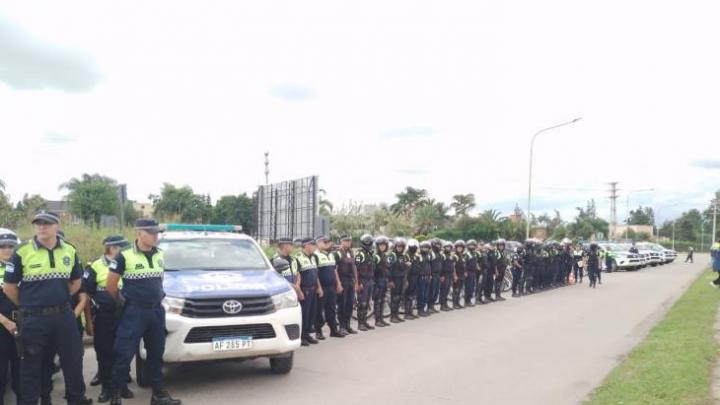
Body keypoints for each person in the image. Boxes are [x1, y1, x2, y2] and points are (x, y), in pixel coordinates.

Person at [4, 212, 92, 405]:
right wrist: (29, 304)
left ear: (56, 226)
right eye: (38, 223)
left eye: (47, 223)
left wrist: (58, 299)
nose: (42, 227)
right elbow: (9, 287)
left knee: (73, 362)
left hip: (63, 316)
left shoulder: (69, 250)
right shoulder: (22, 251)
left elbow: (76, 282)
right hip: (33, 318)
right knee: (31, 366)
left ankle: (76, 399)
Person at [106, 218, 181, 405]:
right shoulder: (124, 255)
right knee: (124, 353)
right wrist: (124, 303)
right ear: (139, 233)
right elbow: (111, 285)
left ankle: (158, 395)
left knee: (156, 353)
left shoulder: (160, 254)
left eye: (157, 233)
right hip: (134, 312)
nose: (156, 236)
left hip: (156, 311)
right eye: (151, 233)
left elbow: (159, 280)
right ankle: (115, 394)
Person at [84, 236, 134, 403]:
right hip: (104, 316)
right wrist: (89, 321)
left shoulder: (127, 262)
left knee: (123, 351)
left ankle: (121, 386)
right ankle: (106, 388)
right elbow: (86, 295)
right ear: (112, 248)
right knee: (104, 352)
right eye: (122, 247)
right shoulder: (95, 266)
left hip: (125, 314)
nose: (126, 250)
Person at [0, 230, 21, 405]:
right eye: (3, 247)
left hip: (24, 324)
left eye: (11, 246)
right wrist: (5, 322)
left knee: (23, 374)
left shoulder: (24, 268)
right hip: (1, 326)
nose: (7, 250)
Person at [292, 239, 323, 345]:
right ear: (306, 245)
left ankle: (307, 334)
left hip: (313, 289)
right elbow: (296, 275)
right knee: (304, 314)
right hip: (304, 290)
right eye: (313, 245)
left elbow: (316, 274)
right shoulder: (297, 258)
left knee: (312, 313)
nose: (315, 247)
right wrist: (299, 291)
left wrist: (319, 287)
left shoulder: (314, 257)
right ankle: (302, 336)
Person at [313, 236, 344, 339]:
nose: (327, 244)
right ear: (318, 243)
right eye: (325, 242)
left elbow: (335, 270)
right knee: (319, 310)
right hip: (322, 287)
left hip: (332, 286)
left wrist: (338, 283)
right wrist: (319, 287)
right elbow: (315, 273)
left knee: (331, 309)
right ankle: (318, 331)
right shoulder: (315, 256)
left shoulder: (331, 255)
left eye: (328, 242)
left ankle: (333, 330)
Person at [333, 235, 358, 335]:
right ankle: (342, 327)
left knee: (350, 304)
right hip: (342, 280)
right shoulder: (337, 253)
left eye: (349, 241)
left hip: (350, 281)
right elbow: (334, 269)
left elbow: (354, 267)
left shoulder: (351, 252)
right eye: (346, 241)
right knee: (342, 304)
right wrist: (338, 283)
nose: (348, 243)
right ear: (341, 241)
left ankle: (348, 326)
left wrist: (356, 281)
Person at [354, 234, 376, 331]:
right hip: (362, 280)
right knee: (362, 303)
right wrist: (358, 283)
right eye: (367, 242)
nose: (368, 243)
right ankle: (360, 324)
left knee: (367, 303)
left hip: (369, 280)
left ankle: (364, 321)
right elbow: (356, 270)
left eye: (370, 242)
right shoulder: (360, 254)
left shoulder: (369, 254)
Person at [387, 238, 409, 323]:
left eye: (401, 246)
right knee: (395, 298)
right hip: (394, 279)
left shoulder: (403, 256)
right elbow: (389, 268)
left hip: (401, 279)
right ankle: (392, 316)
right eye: (398, 246)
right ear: (395, 246)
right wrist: (390, 281)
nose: (399, 248)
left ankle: (396, 315)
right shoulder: (392, 255)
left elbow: (404, 268)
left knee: (399, 297)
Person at [372, 236, 391, 328]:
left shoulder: (385, 255)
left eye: (384, 245)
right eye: (380, 245)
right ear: (377, 246)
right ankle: (377, 320)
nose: (382, 247)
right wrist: (374, 281)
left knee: (383, 300)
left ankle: (381, 318)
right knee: (378, 300)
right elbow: (372, 269)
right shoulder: (376, 256)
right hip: (378, 280)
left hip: (384, 280)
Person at [404, 239, 421, 319]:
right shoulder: (406, 256)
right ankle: (406, 313)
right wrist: (406, 280)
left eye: (415, 247)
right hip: (409, 277)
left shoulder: (416, 256)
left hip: (415, 277)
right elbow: (405, 269)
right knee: (407, 295)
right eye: (412, 247)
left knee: (412, 295)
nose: (414, 248)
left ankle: (410, 312)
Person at [415, 241, 433, 317]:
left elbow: (429, 266)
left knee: (426, 295)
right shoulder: (419, 256)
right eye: (424, 247)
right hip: (421, 277)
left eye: (427, 248)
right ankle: (420, 310)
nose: (425, 249)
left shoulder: (428, 256)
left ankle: (423, 309)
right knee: (421, 294)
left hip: (428, 277)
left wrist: (430, 274)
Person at [438, 241, 456, 311]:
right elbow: (441, 266)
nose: (448, 248)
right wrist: (442, 275)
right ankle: (442, 305)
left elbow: (453, 266)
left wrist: (454, 275)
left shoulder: (451, 256)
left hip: (450, 274)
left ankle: (445, 304)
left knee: (447, 289)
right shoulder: (442, 255)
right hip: (444, 274)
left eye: (449, 247)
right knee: (443, 289)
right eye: (447, 247)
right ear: (444, 248)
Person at [428, 239, 443, 313]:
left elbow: (441, 265)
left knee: (436, 291)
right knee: (431, 291)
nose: (438, 246)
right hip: (432, 275)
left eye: (439, 245)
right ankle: (429, 306)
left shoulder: (439, 254)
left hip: (438, 275)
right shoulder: (431, 254)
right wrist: (430, 274)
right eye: (437, 245)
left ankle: (432, 305)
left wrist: (441, 275)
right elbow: (428, 265)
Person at [463, 240, 479, 307]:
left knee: (472, 287)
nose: (472, 246)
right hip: (468, 272)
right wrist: (465, 271)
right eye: (470, 245)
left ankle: (469, 300)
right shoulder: (467, 254)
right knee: (468, 287)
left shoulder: (474, 254)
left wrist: (477, 267)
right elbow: (464, 263)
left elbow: (475, 262)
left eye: (473, 245)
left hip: (473, 272)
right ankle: (466, 301)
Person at [451, 240, 466, 309]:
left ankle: (458, 302)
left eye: (461, 247)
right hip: (456, 275)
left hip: (462, 275)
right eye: (458, 247)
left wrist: (465, 272)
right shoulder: (454, 256)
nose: (460, 249)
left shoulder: (462, 256)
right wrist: (455, 275)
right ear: (456, 248)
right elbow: (453, 266)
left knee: (459, 290)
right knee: (456, 290)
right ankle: (454, 304)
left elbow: (464, 265)